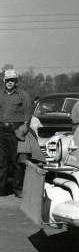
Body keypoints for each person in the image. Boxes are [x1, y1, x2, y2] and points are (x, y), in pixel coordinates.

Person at [0, 69, 33, 197]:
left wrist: (25, 127)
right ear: (4, 81)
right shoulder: (1, 94)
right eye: (7, 80)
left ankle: (18, 189)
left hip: (16, 130)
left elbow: (28, 113)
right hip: (1, 129)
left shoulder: (23, 95)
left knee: (17, 161)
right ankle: (1, 190)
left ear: (16, 81)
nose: (10, 82)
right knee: (1, 161)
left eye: (12, 80)